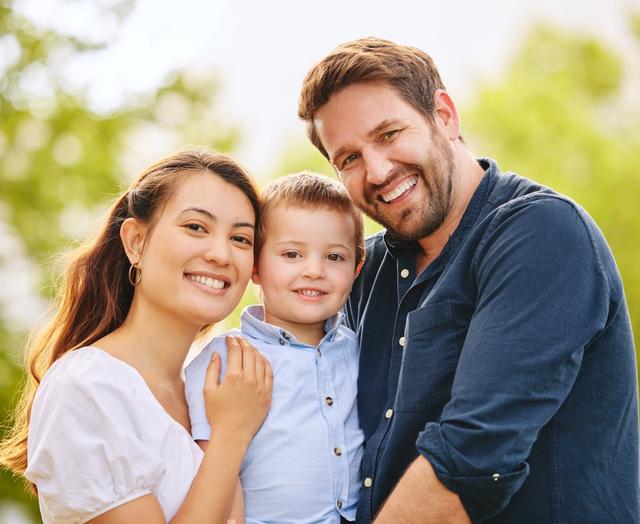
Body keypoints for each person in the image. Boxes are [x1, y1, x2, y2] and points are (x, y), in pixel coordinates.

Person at [298, 37, 639, 523]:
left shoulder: (541, 233)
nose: (377, 170)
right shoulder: (361, 270)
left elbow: (471, 459)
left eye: (390, 133)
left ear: (444, 115)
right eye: (348, 159)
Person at [0, 149, 273, 523]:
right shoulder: (85, 387)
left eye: (241, 239)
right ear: (136, 242)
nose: (220, 254)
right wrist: (230, 437)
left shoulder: (213, 391)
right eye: (196, 227)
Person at [185, 171, 366, 523]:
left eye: (334, 257)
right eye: (292, 254)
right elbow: (206, 477)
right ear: (255, 267)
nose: (314, 270)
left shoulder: (360, 349)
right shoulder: (226, 360)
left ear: (356, 269)